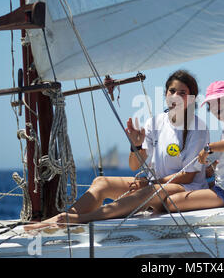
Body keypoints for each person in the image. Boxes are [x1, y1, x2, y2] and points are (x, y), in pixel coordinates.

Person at [25, 70, 208, 230]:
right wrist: (136, 145)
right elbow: (134, 165)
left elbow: (188, 176)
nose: (175, 95)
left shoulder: (197, 128)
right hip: (157, 185)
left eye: (182, 93)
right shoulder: (155, 122)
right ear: (166, 94)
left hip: (185, 188)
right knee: (101, 182)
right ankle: (60, 219)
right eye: (172, 91)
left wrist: (151, 183)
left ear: (191, 98)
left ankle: (83, 219)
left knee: (152, 190)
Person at [162, 80, 224, 211]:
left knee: (170, 202)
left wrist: (207, 148)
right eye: (210, 104)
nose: (214, 106)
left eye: (219, 100)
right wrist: (213, 168)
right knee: (197, 186)